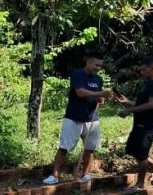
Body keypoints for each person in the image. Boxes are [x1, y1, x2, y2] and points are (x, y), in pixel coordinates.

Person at [43, 54, 108, 185]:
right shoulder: (77, 74)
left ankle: (85, 174)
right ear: (88, 62)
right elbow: (80, 92)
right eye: (96, 65)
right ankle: (54, 175)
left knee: (89, 149)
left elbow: (99, 99)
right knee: (64, 147)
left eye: (100, 66)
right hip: (73, 117)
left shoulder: (98, 80)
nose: (98, 68)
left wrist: (102, 98)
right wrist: (100, 93)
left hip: (92, 119)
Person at [113, 57, 153, 190]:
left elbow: (151, 105)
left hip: (148, 125)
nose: (141, 73)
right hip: (139, 123)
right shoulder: (148, 83)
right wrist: (127, 102)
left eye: (143, 70)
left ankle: (140, 184)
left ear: (152, 68)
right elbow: (142, 104)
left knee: (141, 155)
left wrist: (129, 110)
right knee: (133, 150)